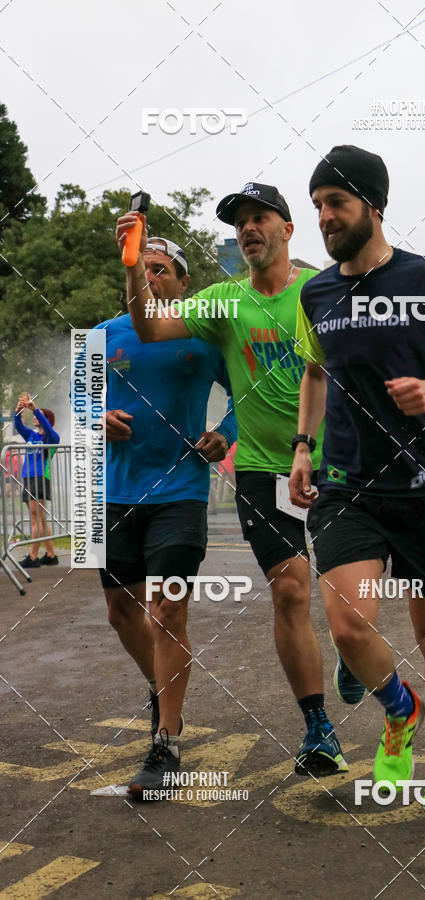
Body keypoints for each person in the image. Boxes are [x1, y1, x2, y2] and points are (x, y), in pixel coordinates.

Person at [289, 145, 425, 814]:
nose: (324, 216)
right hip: (347, 486)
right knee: (349, 627)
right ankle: (398, 710)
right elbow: (315, 373)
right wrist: (301, 447)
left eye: (336, 203)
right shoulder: (315, 293)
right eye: (317, 204)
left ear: (372, 206)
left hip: (424, 486)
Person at [119, 183, 347, 778]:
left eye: (259, 218)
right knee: (292, 590)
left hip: (341, 462)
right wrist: (132, 265)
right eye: (240, 222)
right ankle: (317, 726)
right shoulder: (222, 302)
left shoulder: (323, 289)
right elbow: (149, 326)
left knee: (350, 600)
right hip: (264, 470)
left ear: (288, 229)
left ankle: (356, 647)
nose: (248, 228)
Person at [98, 234, 237, 796]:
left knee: (167, 613)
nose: (151, 277)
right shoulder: (104, 334)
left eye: (162, 269)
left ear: (183, 284)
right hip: (113, 492)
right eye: (142, 267)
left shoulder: (202, 336)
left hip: (180, 490)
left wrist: (223, 435)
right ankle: (162, 690)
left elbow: (246, 396)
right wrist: (97, 416)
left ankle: (166, 741)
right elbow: (81, 399)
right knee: (121, 612)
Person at [13, 394, 60, 568]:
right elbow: (18, 426)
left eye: (38, 415)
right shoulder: (32, 436)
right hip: (29, 479)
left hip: (39, 478)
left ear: (45, 419)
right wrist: (18, 411)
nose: (34, 417)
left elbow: (49, 429)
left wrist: (35, 409)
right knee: (40, 519)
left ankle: (33, 556)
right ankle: (50, 554)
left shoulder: (51, 438)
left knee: (36, 519)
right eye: (34, 415)